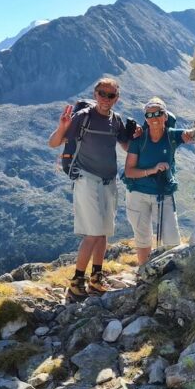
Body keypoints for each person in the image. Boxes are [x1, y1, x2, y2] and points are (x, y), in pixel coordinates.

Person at [47, 78, 133, 297]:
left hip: (109, 181)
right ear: (95, 94)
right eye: (102, 94)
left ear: (117, 98)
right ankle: (76, 281)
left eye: (111, 95)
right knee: (93, 234)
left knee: (103, 233)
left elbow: (126, 145)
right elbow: (54, 143)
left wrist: (137, 136)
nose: (106, 99)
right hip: (86, 179)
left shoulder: (116, 120)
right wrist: (62, 128)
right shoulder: (82, 118)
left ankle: (96, 277)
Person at [123, 97, 195, 265]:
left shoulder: (172, 136)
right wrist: (152, 170)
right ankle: (144, 274)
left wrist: (193, 132)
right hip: (138, 193)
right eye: (149, 115)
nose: (154, 118)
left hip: (163, 192)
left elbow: (193, 135)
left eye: (158, 114)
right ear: (146, 118)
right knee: (143, 238)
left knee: (171, 238)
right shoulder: (139, 139)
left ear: (165, 116)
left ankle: (169, 273)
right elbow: (129, 171)